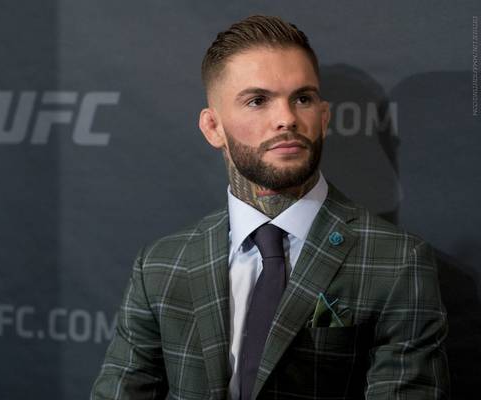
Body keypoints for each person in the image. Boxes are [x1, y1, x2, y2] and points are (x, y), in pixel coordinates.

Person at [91, 15, 449, 400]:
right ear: (213, 128)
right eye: (258, 101)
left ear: (324, 118)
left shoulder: (397, 263)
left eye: (303, 98)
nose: (287, 119)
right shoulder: (160, 266)